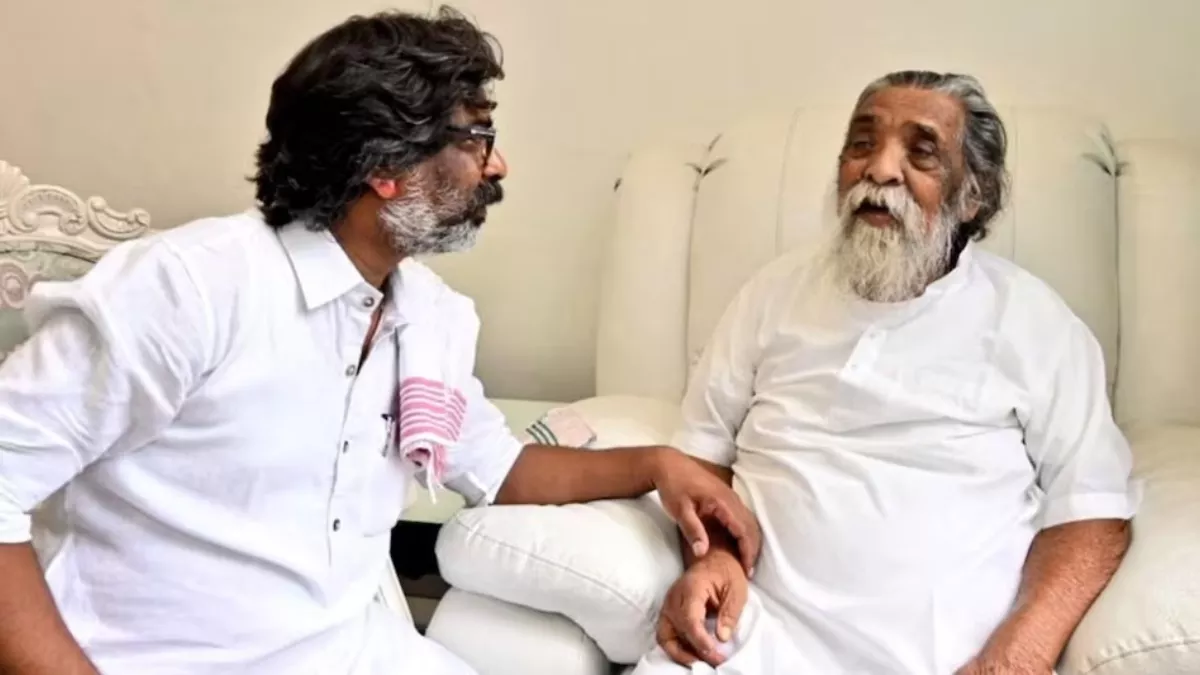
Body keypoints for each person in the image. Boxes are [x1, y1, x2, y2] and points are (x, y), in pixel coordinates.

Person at [0, 8, 759, 675]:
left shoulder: (428, 317)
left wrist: (657, 465)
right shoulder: (192, 288)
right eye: (478, 136)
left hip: (350, 651)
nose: (497, 164)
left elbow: (501, 468)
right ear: (386, 166)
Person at [637, 71, 1139, 675]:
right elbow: (701, 458)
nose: (879, 170)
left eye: (920, 152)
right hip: (744, 642)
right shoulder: (772, 294)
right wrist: (713, 558)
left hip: (947, 661)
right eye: (861, 144)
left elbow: (1091, 512)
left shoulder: (1035, 323)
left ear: (973, 197)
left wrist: (1017, 655)